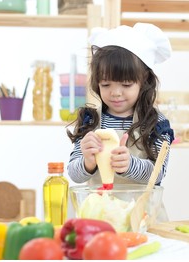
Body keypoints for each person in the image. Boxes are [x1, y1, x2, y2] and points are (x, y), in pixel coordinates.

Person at [66, 23, 174, 193]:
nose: (115, 93)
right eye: (106, 84)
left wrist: (130, 165)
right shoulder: (90, 121)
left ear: (144, 82)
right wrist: (87, 162)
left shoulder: (156, 123)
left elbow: (159, 172)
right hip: (99, 212)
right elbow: (74, 174)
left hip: (141, 214)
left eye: (126, 84)